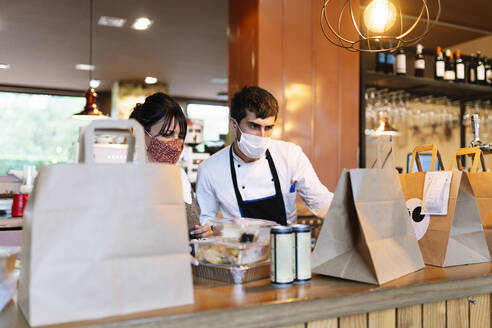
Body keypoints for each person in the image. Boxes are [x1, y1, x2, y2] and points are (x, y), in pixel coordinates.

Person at [196, 86, 334, 226]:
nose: (262, 136)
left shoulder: (290, 155)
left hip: (287, 244)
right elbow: (206, 221)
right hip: (241, 247)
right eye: (254, 126)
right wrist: (217, 229)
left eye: (268, 128)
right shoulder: (210, 169)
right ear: (234, 124)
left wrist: (350, 215)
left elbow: (321, 201)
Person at [129, 92, 212, 238]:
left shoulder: (180, 175)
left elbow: (192, 227)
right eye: (167, 134)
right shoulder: (128, 179)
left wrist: (204, 231)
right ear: (142, 134)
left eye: (180, 136)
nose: (176, 144)